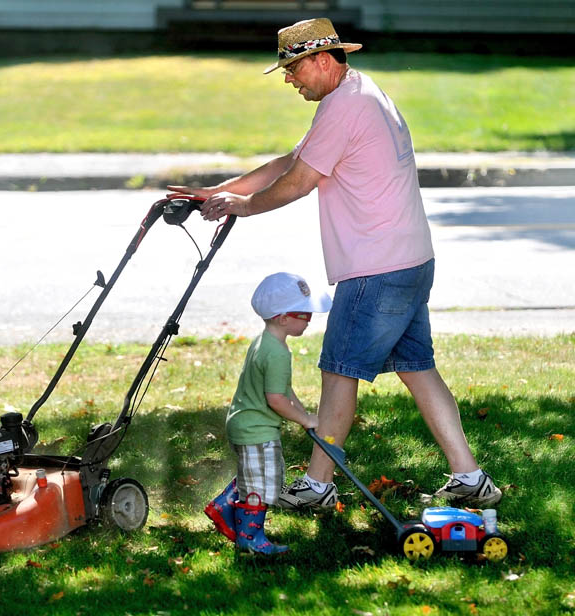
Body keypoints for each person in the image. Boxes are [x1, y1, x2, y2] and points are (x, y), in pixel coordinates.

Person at [170, 18, 501, 511]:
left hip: (375, 269)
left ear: (323, 60)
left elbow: (299, 181)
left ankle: (319, 485)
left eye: (293, 69)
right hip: (410, 260)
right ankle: (469, 476)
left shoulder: (344, 107)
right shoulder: (360, 92)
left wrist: (239, 208)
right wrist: (223, 191)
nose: (289, 80)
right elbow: (293, 159)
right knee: (418, 367)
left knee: (338, 371)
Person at [204, 271, 331, 555]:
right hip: (256, 430)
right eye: (306, 315)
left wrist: (304, 413)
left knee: (259, 476)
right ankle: (250, 539)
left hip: (246, 424)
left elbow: (284, 389)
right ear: (283, 318)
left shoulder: (266, 342)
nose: (309, 321)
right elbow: (275, 399)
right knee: (261, 485)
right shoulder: (277, 354)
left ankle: (223, 507)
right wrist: (303, 418)